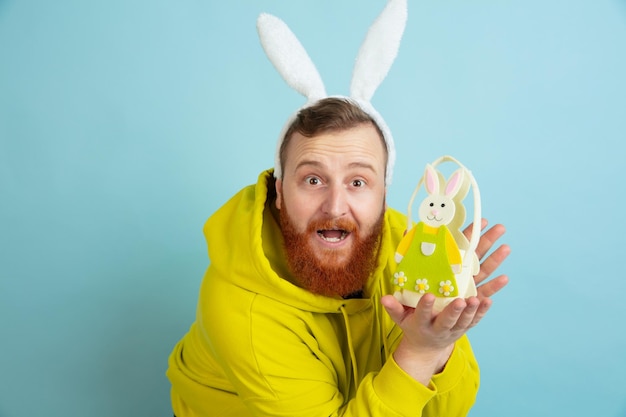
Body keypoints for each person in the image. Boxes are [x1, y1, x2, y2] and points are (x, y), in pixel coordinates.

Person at [166, 97, 510, 417]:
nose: (334, 206)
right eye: (313, 179)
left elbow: (444, 411)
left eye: (358, 182)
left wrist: (439, 333)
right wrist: (418, 352)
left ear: (383, 196)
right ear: (280, 192)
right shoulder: (242, 312)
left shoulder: (406, 247)